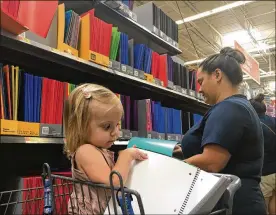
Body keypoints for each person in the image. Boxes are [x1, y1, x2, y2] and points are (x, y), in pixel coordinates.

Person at [177, 47, 266, 215]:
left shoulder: (229, 108)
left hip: (235, 205)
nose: (200, 89)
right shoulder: (238, 106)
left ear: (217, 75)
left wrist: (174, 167)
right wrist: (183, 150)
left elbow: (212, 161)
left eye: (201, 81)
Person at [63, 83, 148, 214]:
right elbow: (114, 183)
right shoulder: (85, 151)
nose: (115, 132)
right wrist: (126, 157)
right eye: (107, 126)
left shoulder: (99, 149)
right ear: (80, 126)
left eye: (117, 124)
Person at [250, 93, 276, 215]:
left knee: (263, 206)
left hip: (265, 172)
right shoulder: (274, 120)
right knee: (274, 204)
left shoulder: (253, 125)